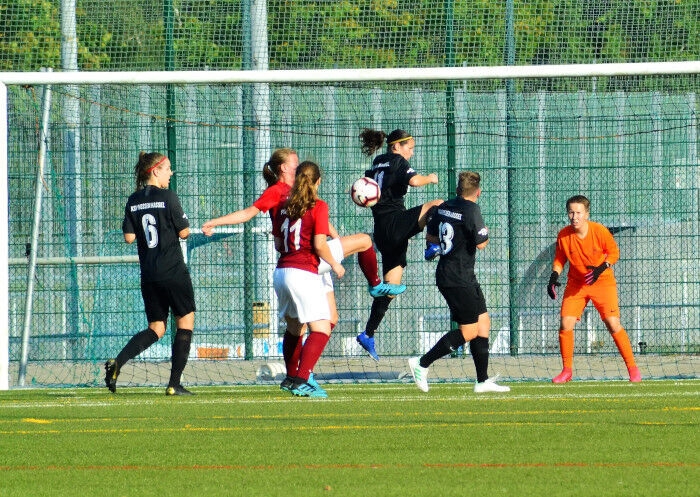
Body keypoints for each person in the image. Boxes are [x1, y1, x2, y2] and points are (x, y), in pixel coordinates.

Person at [201, 148, 403, 392]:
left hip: (294, 262)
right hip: (309, 257)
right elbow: (248, 213)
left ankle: (297, 374)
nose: (298, 168)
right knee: (364, 241)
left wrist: (336, 238)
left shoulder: (298, 194)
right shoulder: (277, 192)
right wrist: (216, 221)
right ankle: (375, 285)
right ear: (284, 168)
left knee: (318, 322)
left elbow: (306, 229)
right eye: (294, 164)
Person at [407, 172, 509, 393]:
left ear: (457, 190)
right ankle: (422, 363)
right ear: (478, 192)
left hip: (456, 274)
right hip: (458, 277)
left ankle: (482, 381)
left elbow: (431, 239)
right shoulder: (472, 209)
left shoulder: (443, 207)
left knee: (483, 323)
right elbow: (482, 243)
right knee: (469, 331)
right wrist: (484, 232)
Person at [105, 152, 196, 396]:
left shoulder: (133, 200)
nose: (171, 173)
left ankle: (118, 363)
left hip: (149, 275)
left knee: (156, 327)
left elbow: (129, 237)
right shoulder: (168, 197)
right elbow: (184, 232)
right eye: (167, 169)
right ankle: (174, 384)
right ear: (155, 171)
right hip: (174, 271)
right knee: (185, 321)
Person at [355, 128, 443, 361]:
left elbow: (364, 186)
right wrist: (430, 178)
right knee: (437, 204)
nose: (411, 153)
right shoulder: (397, 161)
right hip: (395, 223)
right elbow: (414, 181)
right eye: (409, 148)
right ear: (397, 146)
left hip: (382, 231)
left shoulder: (377, 162)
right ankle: (432, 245)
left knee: (390, 288)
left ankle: (368, 333)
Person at [547, 195, 641, 383]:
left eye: (578, 212)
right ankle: (567, 371)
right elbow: (560, 259)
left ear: (587, 214)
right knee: (565, 323)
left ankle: (633, 369)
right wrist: (554, 276)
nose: (574, 217)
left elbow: (614, 253)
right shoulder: (564, 235)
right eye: (571, 212)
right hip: (576, 284)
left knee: (612, 323)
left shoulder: (599, 231)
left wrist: (600, 269)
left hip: (603, 283)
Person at [272, 161, 344, 398]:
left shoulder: (283, 205)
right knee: (322, 327)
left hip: (281, 272)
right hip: (303, 273)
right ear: (318, 181)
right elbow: (320, 244)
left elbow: (278, 242)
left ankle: (291, 377)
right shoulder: (318, 206)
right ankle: (303, 380)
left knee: (294, 327)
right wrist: (335, 264)